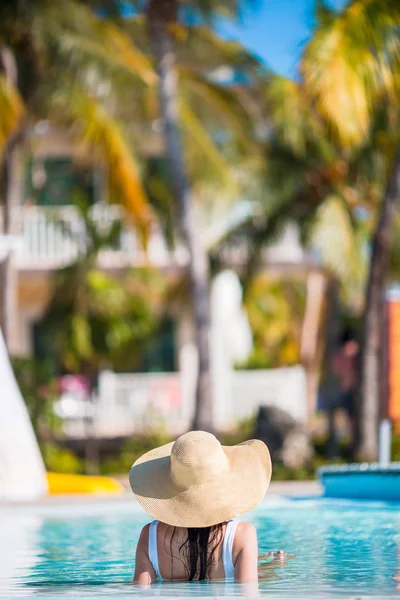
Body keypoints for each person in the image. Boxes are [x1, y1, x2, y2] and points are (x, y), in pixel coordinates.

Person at [129, 430, 274, 584]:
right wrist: (271, 567)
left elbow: (140, 591)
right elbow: (246, 592)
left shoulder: (150, 536)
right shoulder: (242, 535)